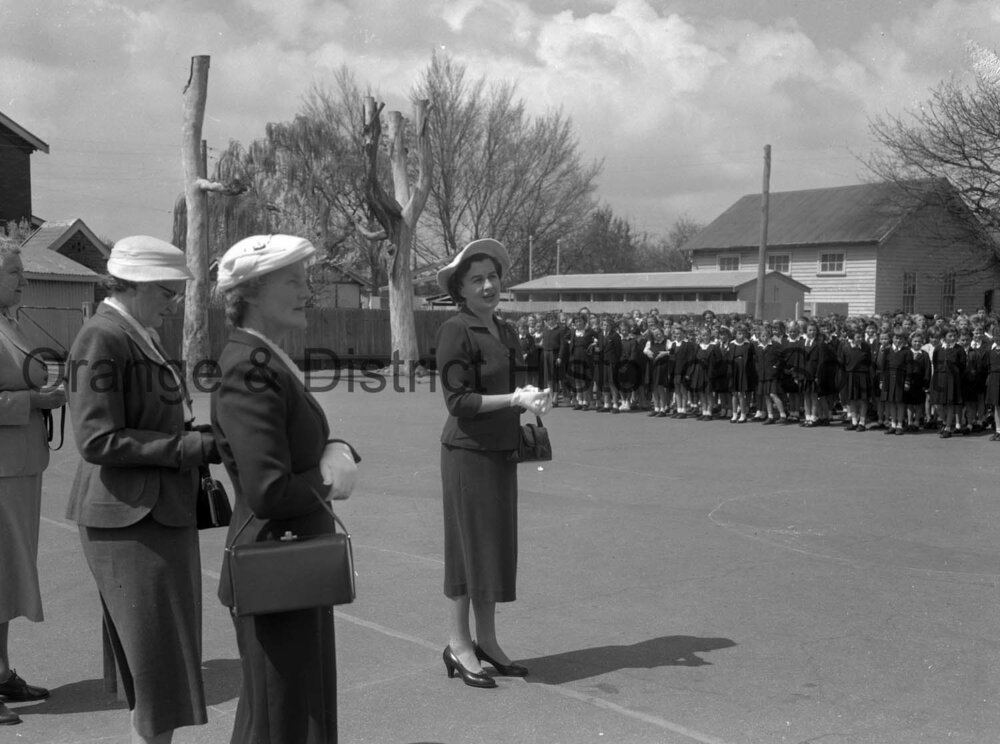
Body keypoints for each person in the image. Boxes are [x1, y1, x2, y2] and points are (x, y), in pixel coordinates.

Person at [65, 236, 218, 744]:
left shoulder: (135, 332)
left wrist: (200, 437)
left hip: (152, 515)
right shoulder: (103, 336)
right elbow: (96, 439)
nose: (173, 305)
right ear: (136, 285)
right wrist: (189, 448)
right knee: (157, 681)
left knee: (160, 680)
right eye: (167, 293)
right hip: (130, 519)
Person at [211, 234, 360, 743]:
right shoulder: (248, 367)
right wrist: (328, 478)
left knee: (289, 716)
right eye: (293, 281)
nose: (305, 291)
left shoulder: (263, 356)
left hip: (290, 563)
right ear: (251, 292)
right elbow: (268, 490)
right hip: (275, 565)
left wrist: (333, 445)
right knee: (282, 722)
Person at [434, 238, 551, 689]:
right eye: (477, 279)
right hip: (468, 452)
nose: (488, 286)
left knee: (493, 549)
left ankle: (487, 641)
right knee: (467, 549)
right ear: (460, 289)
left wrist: (532, 396)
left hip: (502, 450)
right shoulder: (455, 330)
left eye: (494, 277)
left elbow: (510, 388)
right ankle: (458, 643)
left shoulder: (506, 330)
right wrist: (513, 398)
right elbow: (458, 401)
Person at [0, 244, 65, 726]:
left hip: (19, 467)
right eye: (14, 272)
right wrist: (35, 400)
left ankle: (1, 671)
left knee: (7, 576)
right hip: (3, 469)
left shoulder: (10, 322)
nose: (23, 280)